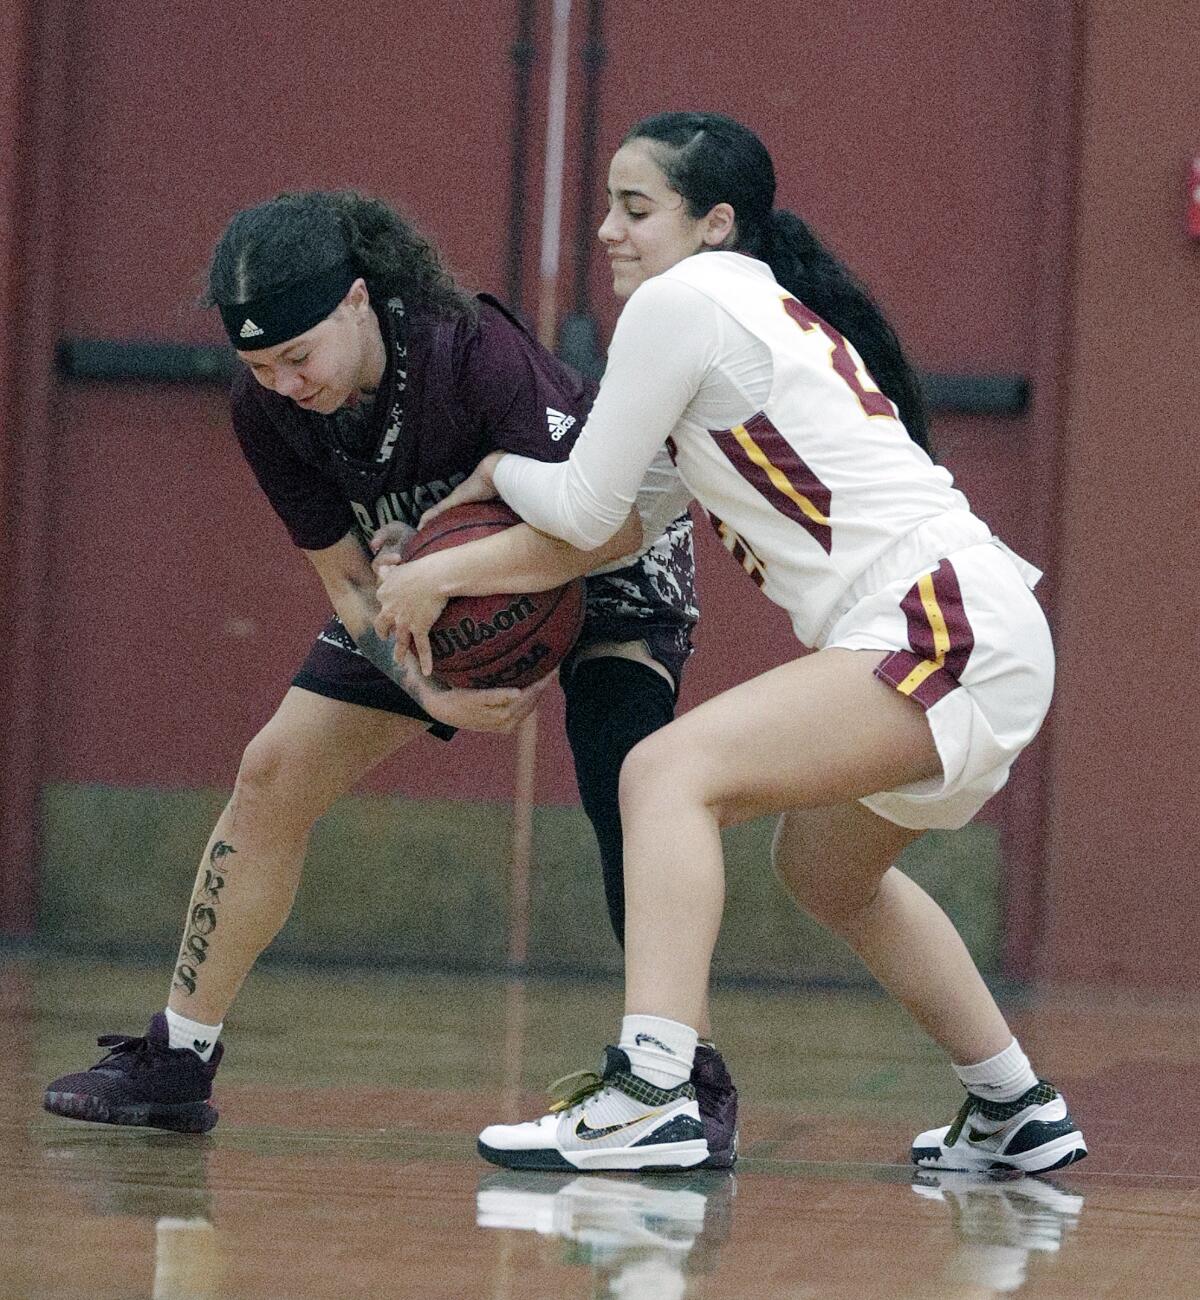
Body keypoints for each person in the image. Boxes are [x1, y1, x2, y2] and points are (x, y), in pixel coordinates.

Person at [372, 113, 1089, 1175]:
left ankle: (653, 1091)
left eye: (635, 207)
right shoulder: (737, 313)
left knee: (666, 772)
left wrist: (477, 499)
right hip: (973, 625)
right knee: (826, 872)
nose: (610, 230)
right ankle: (1014, 1106)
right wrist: (446, 557)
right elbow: (610, 529)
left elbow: (576, 500)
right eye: (607, 204)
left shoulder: (685, 301)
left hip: (942, 615)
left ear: (715, 224)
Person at [41, 189, 738, 1166]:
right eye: (260, 366)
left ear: (359, 302)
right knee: (272, 771)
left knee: (631, 786)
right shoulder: (269, 414)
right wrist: (431, 690)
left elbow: (594, 524)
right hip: (427, 587)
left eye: (300, 355)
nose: (285, 381)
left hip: (604, 549)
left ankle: (684, 1079)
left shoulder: (470, 353)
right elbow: (353, 581)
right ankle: (178, 1057)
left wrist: (446, 575)